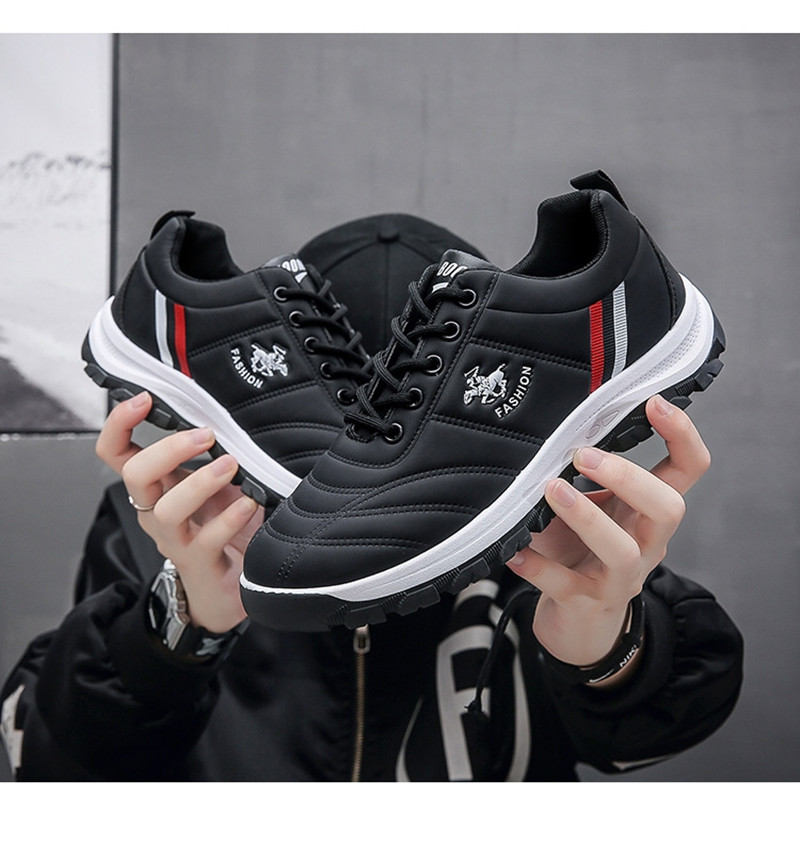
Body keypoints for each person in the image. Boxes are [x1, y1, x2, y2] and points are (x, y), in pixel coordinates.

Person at [0, 214, 743, 782]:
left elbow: (652, 733)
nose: (352, 468)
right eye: (350, 433)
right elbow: (50, 764)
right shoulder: (167, 517)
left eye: (391, 419)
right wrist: (184, 619)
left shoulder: (566, 523)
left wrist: (605, 636)